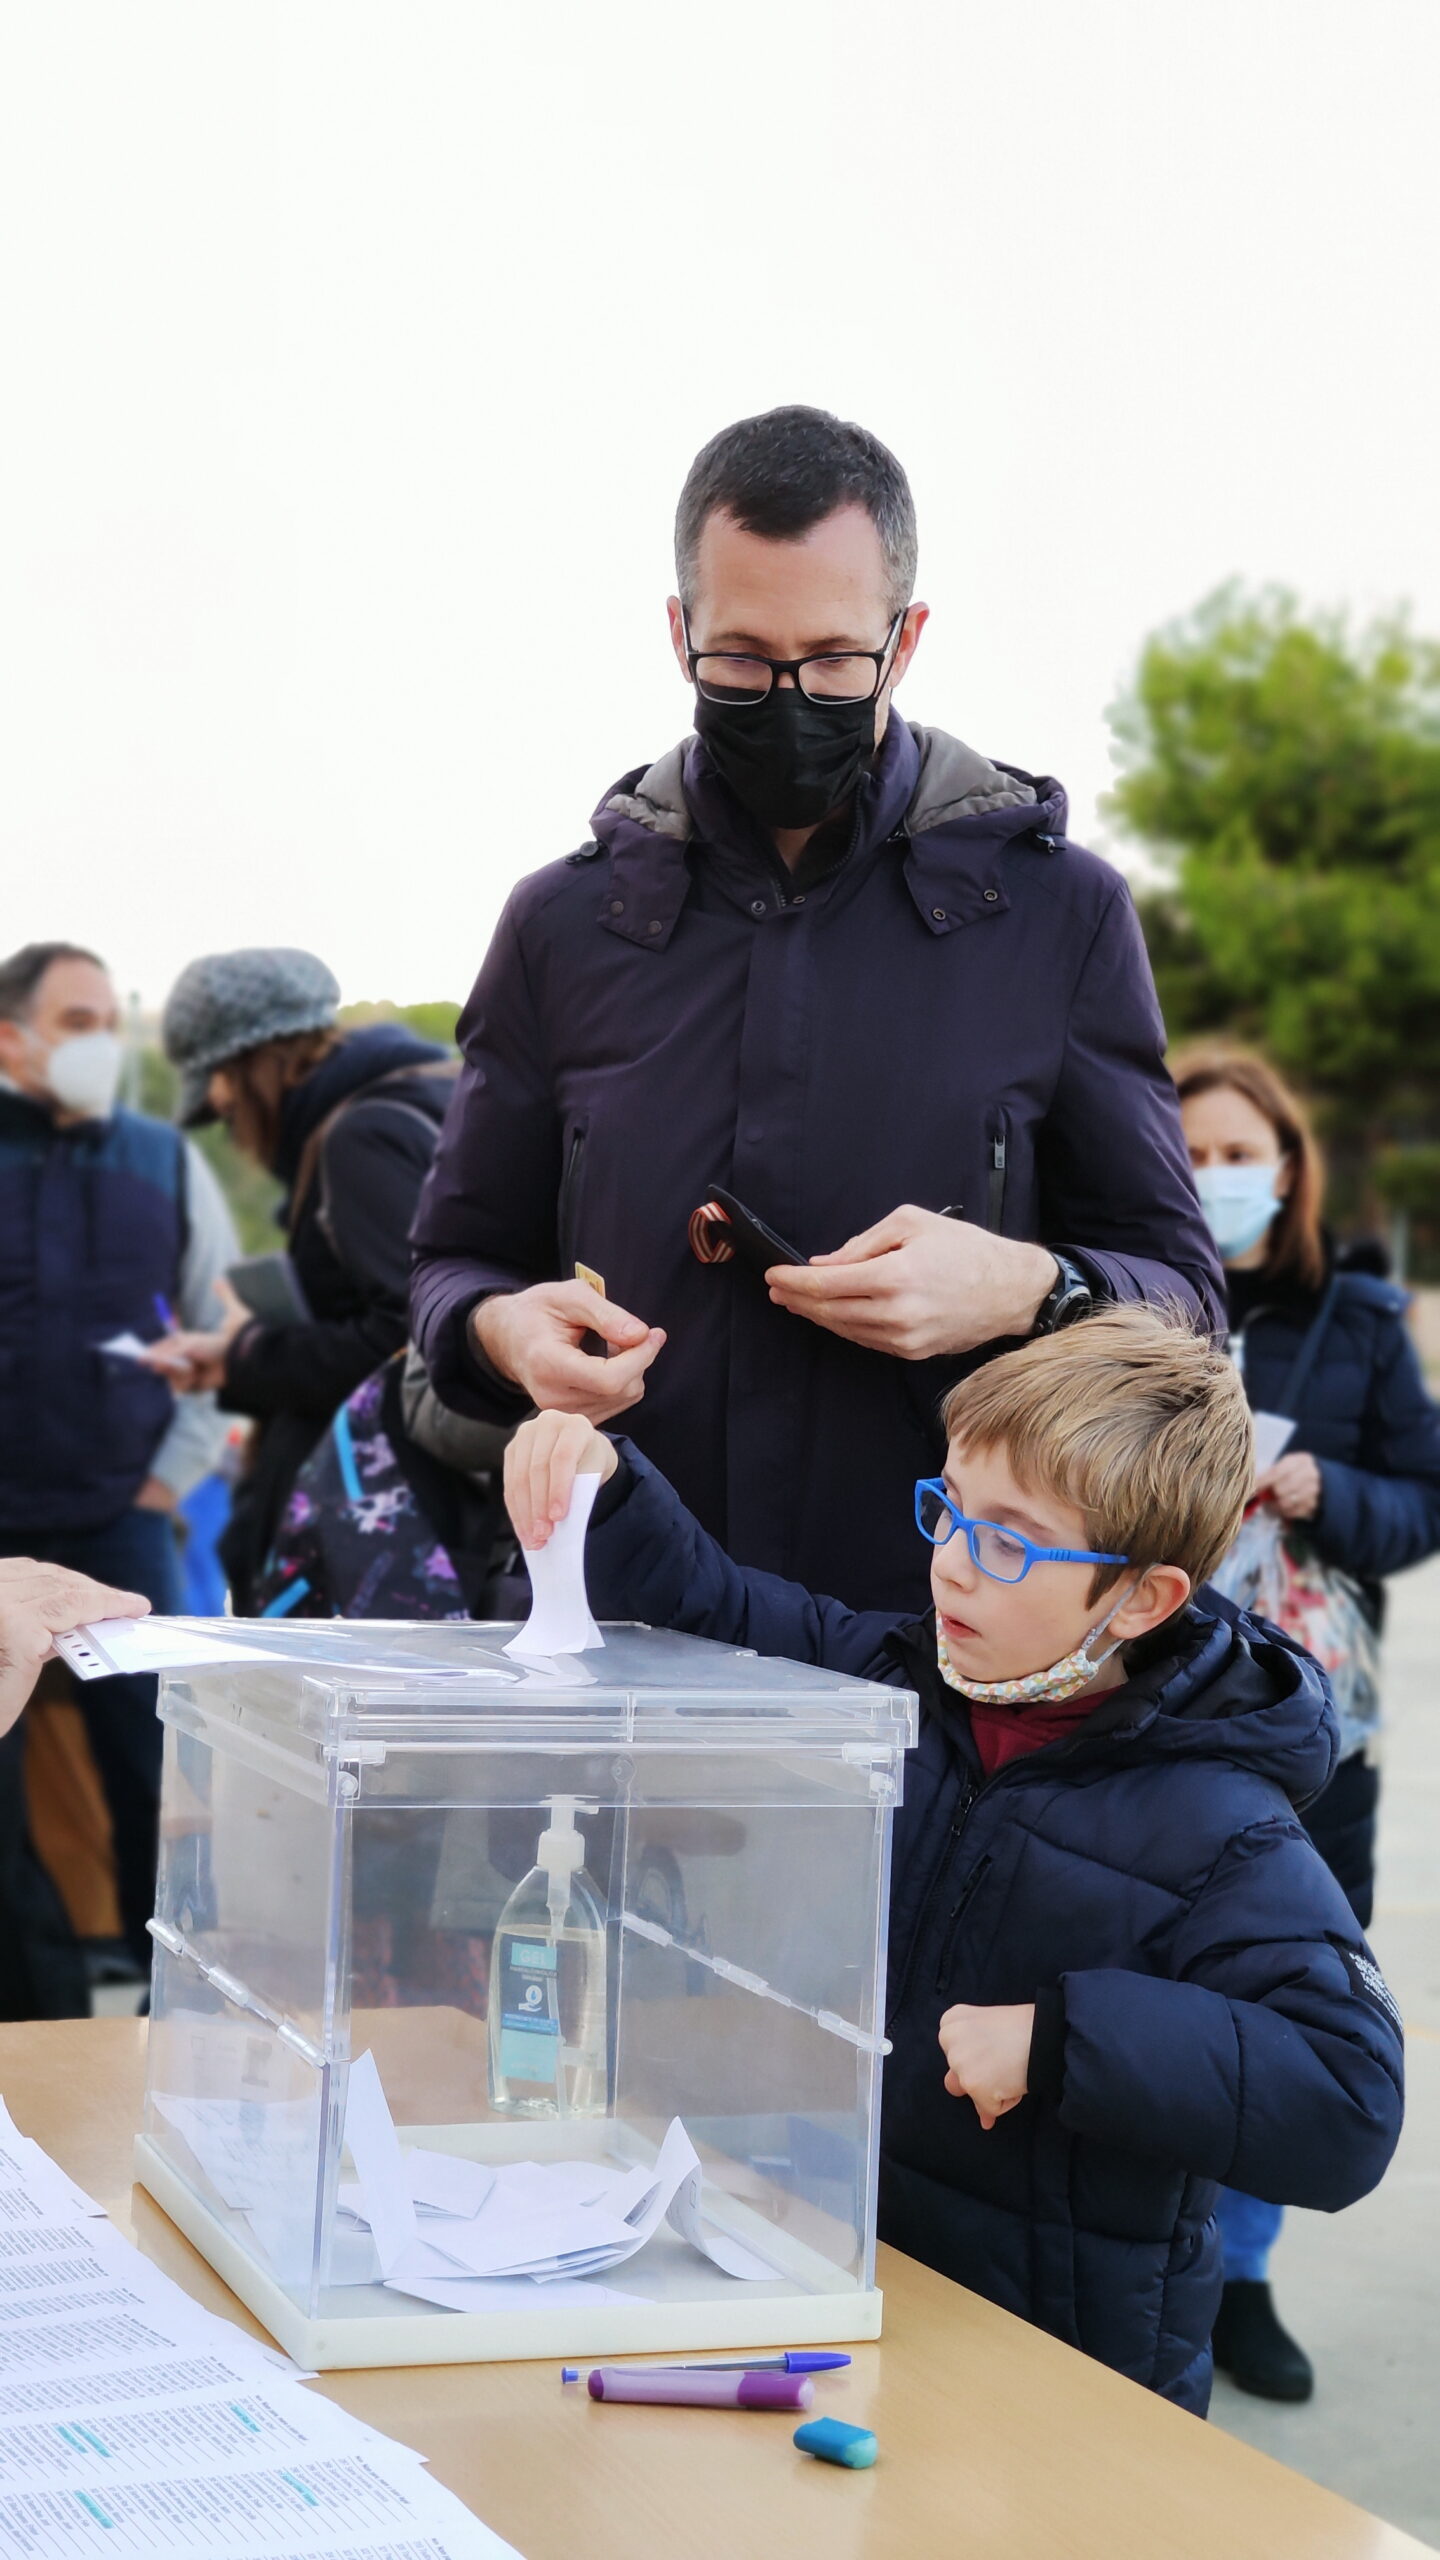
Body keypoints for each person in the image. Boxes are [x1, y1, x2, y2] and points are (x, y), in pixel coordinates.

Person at [500, 1307, 1403, 2414]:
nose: (954, 1567)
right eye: (950, 1511)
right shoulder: (895, 1677)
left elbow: (1351, 2098)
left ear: (1141, 1597)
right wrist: (606, 1481)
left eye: (1010, 1542)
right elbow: (718, 1605)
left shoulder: (1220, 1824)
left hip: (1056, 2386)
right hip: (844, 2292)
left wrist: (1063, 2040)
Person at [411, 405, 1222, 1616]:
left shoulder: (1062, 913)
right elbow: (450, 1265)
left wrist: (1031, 1287)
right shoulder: (560, 924)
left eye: (836, 659)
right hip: (622, 1624)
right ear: (678, 632)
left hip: (938, 1638)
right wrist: (501, 1331)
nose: (790, 697)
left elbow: (1188, 1304)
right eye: (741, 658)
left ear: (907, 639)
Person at [1175, 1044, 1440, 2402]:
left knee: (1287, 1987)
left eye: (1240, 1154)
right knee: (1156, 1978)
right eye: (1191, 1153)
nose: (1217, 1176)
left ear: (1287, 1167)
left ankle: (1243, 2273)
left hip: (1311, 1721)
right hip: (1156, 1699)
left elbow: (1424, 1501)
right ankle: (1158, 2256)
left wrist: (1330, 1491)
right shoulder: (1129, 1303)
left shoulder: (1359, 1315)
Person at [0, 941, 238, 1989]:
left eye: (108, 1021)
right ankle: (38, 2010)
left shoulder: (163, 1160)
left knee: (160, 1776)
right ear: (11, 1039)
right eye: (78, 1023)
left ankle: (177, 1999)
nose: (102, 1043)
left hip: (121, 1523)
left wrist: (165, 1482)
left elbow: (218, 1327)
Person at [155, 951, 456, 1614]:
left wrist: (248, 1354)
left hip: (381, 1526)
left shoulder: (362, 1137)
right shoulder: (435, 1096)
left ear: (255, 1061)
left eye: (219, 1082)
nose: (219, 1104)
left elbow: (407, 1345)